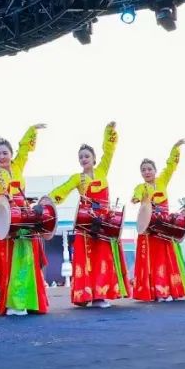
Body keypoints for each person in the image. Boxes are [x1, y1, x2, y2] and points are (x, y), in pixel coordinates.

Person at [50, 122, 128, 307]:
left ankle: (100, 295)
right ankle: (87, 295)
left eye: (87, 156)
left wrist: (109, 131)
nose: (83, 159)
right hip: (87, 225)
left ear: (94, 159)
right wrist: (49, 199)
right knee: (88, 259)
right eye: (81, 157)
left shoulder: (102, 170)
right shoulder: (78, 178)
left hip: (105, 224)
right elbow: (63, 189)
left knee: (103, 258)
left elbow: (109, 152)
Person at [0, 124, 47, 316]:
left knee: (27, 261)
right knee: (10, 264)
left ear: (11, 154)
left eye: (5, 153)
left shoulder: (18, 166)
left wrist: (32, 130)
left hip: (25, 221)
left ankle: (29, 302)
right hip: (6, 224)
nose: (1, 156)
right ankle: (14, 303)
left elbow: (25, 150)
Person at [130, 139, 185, 302]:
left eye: (149, 169)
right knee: (153, 259)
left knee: (166, 258)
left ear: (155, 171)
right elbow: (136, 196)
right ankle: (157, 292)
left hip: (164, 227)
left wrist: (175, 149)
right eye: (143, 170)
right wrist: (136, 198)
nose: (147, 172)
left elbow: (171, 166)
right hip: (149, 229)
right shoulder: (141, 187)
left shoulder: (162, 181)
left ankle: (169, 289)